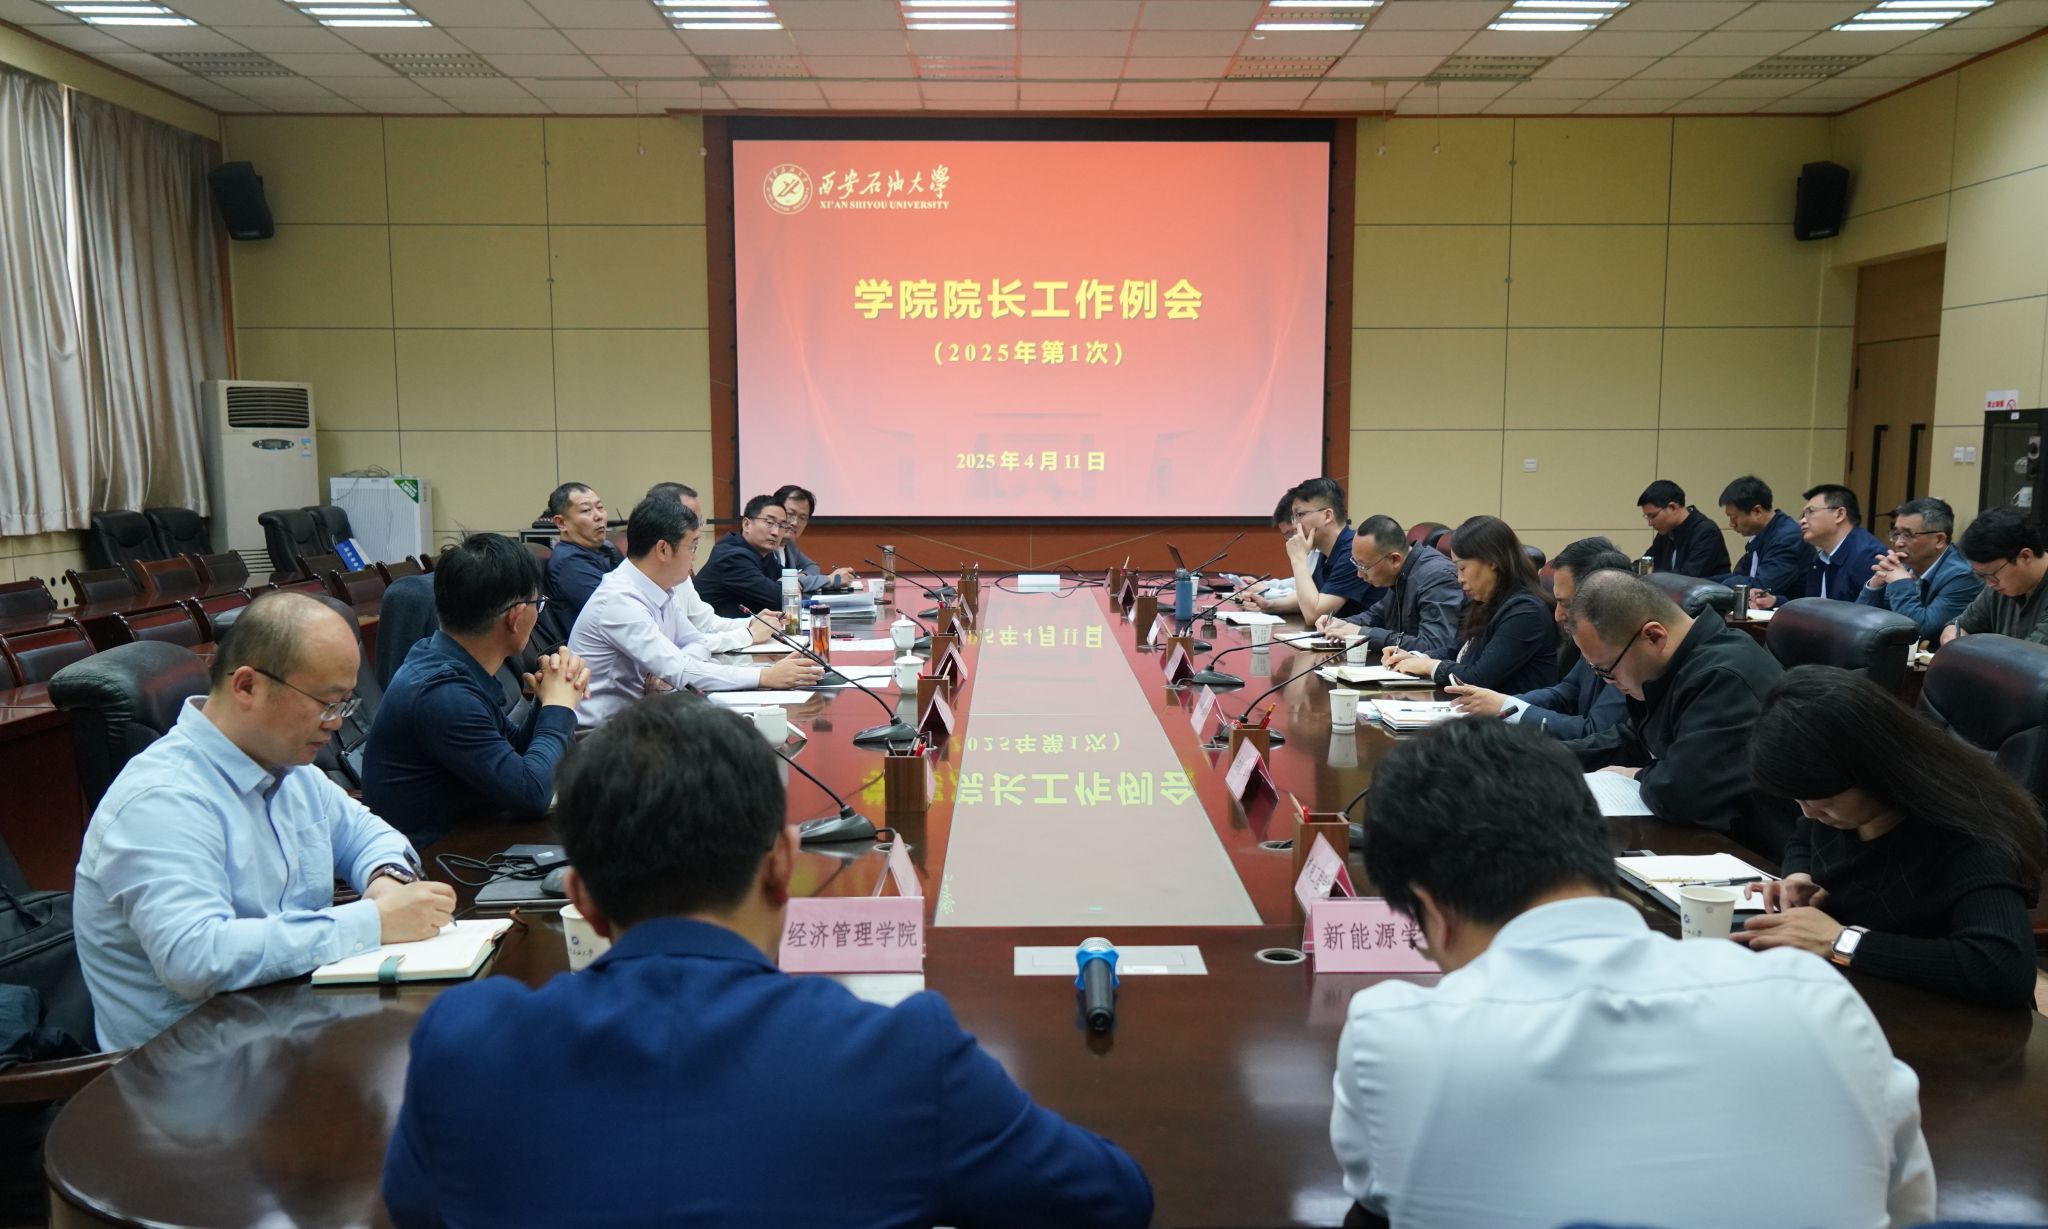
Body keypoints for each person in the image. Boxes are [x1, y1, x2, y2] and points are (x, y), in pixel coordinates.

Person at [382, 696, 1154, 1229]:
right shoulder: (902, 1057)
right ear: (783, 863)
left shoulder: (462, 1045)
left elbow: (416, 1206)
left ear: (581, 897)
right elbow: (1113, 1201)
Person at [1329, 717, 1934, 1229]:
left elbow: (1384, 1196)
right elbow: (1908, 1210)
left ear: (1432, 912)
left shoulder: (1396, 1036)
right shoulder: (1815, 1001)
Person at [73, 593, 456, 1050]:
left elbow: (367, 833)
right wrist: (372, 921)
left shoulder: (288, 768)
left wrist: (387, 881)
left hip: (293, 1030)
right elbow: (195, 957)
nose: (336, 723)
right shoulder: (162, 799)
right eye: (326, 703)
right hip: (193, 1071)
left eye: (344, 704)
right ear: (247, 686)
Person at [1743, 665, 2043, 1009]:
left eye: (1821, 800)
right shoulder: (1840, 807)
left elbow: (2003, 968)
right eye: (1800, 800)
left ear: (1873, 771)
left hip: (1946, 1021)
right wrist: (1799, 875)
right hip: (1855, 996)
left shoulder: (1968, 838)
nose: (1809, 812)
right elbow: (1804, 835)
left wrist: (1841, 940)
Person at [362, 533, 587, 848]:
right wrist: (559, 707)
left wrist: (546, 699)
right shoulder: (442, 693)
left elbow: (514, 753)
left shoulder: (446, 660)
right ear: (516, 617)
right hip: (432, 861)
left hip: (470, 838)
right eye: (538, 604)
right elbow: (533, 794)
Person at [1564, 571, 1792, 855]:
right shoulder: (1673, 667)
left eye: (1606, 670)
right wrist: (1548, 756)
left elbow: (1681, 794)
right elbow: (1635, 739)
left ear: (1654, 636)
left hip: (1759, 856)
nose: (1607, 682)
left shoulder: (1724, 677)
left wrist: (1637, 775)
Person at [568, 495, 821, 726]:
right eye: (693, 547)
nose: (695, 557)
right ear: (663, 550)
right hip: (600, 734)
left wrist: (673, 671)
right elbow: (682, 670)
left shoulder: (660, 589)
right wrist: (765, 676)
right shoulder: (620, 601)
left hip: (645, 717)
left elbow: (695, 643)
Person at [1445, 538, 1630, 740]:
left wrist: (1509, 710)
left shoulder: (1632, 653)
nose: (1557, 615)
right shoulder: (1598, 639)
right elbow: (1566, 692)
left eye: (1566, 603)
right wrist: (1505, 703)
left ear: (1603, 598)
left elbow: (1596, 732)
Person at [1382, 516, 1555, 694]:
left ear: (1492, 561)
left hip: (1509, 710)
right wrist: (1415, 658)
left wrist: (1428, 666)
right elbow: (1457, 651)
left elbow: (1479, 678)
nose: (1460, 579)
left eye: (1463, 568)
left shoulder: (1525, 611)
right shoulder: (1486, 601)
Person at [647, 482, 778, 652]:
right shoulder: (631, 591)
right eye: (691, 520)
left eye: (699, 521)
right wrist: (749, 634)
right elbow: (676, 647)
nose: (698, 530)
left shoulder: (679, 574)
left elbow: (706, 623)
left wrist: (752, 622)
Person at [1313, 515, 1461, 659]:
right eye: (1356, 563)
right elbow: (1376, 616)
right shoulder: (1401, 573)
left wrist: (1362, 633)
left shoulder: (1437, 577)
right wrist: (1343, 623)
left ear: (1394, 559)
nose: (1359, 574)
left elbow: (1433, 646)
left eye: (1364, 566)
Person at [1856, 497, 1982, 641]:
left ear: (1939, 540)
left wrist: (1901, 583)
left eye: (1908, 535)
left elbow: (1920, 631)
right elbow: (1860, 623)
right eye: (1896, 534)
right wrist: (1875, 586)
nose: (1898, 543)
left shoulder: (1963, 576)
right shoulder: (1904, 565)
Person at [1259, 478, 1378, 620]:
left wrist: (1298, 558)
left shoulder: (1352, 551)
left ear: (1327, 516)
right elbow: (1312, 598)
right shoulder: (1325, 552)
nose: (1295, 525)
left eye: (1299, 515)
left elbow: (1314, 614)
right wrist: (1269, 605)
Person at [1756, 484, 1885, 607]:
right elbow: (1815, 608)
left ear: (1840, 514)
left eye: (1810, 512)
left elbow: (1871, 614)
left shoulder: (1868, 556)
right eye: (1803, 515)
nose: (1802, 521)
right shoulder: (1820, 559)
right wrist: (1776, 601)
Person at [1943, 505, 2048, 645]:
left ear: (2025, 556)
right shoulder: (1999, 587)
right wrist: (1953, 640)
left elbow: (2031, 654)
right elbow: (1957, 627)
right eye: (1981, 576)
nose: (1989, 584)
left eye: (1992, 574)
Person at [539, 482, 618, 636]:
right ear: (561, 523)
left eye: (600, 507)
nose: (599, 516)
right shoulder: (569, 563)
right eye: (586, 510)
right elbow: (616, 611)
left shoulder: (600, 550)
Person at [695, 493, 791, 619]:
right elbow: (781, 598)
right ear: (746, 524)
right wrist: (788, 587)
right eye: (769, 522)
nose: (776, 532)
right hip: (709, 629)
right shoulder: (731, 556)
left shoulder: (764, 552)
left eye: (782, 526)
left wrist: (789, 586)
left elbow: (787, 582)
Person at [1715, 474, 1810, 596]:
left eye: (1733, 517)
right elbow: (1741, 576)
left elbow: (1762, 587)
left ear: (1757, 511)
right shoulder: (1762, 533)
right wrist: (1701, 582)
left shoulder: (1788, 537)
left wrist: (1719, 586)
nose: (1731, 524)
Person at [772, 483, 856, 594]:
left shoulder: (789, 545)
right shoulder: (763, 546)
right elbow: (779, 584)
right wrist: (830, 580)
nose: (795, 523)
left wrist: (801, 578)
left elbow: (812, 566)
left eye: (802, 518)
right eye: (790, 514)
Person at [1637, 479, 1730, 577]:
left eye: (1652, 516)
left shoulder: (1707, 533)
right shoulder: (1666, 533)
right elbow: (1644, 565)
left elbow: (1687, 578)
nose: (1650, 523)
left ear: (1672, 507)